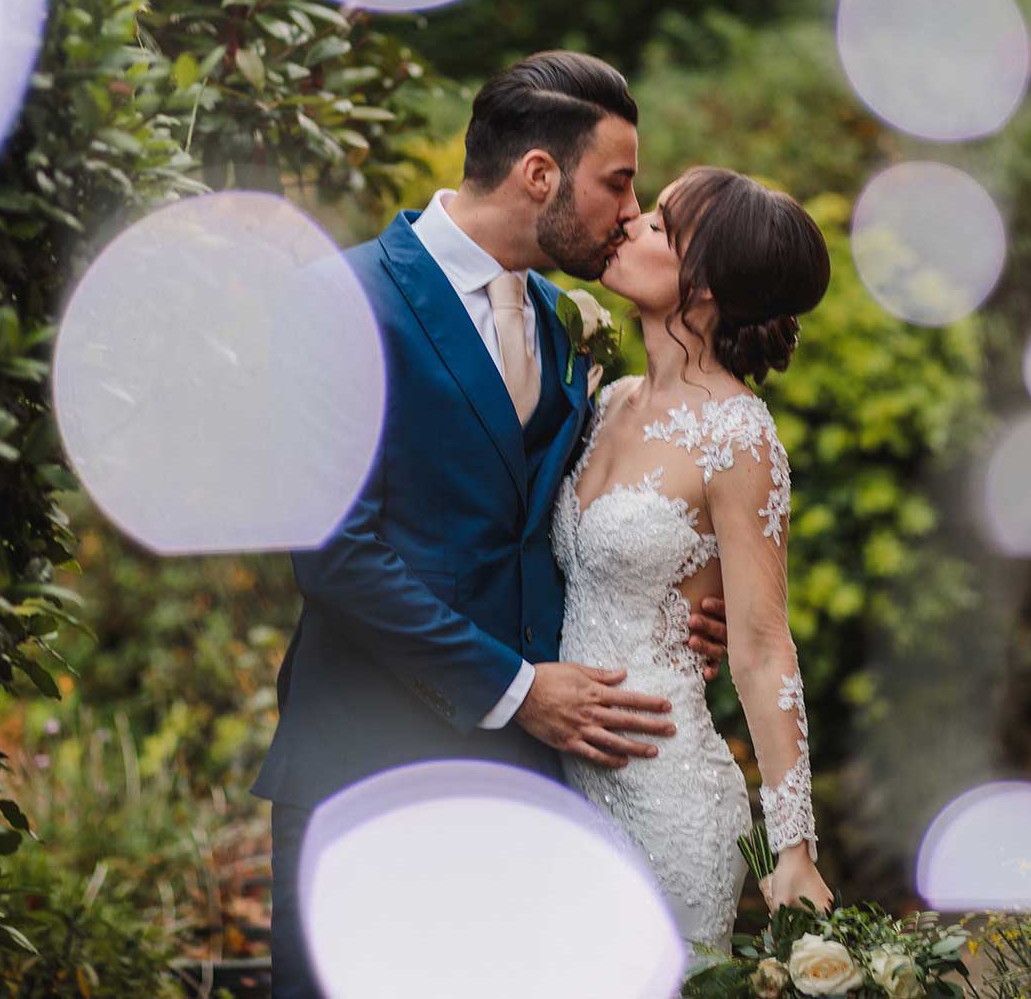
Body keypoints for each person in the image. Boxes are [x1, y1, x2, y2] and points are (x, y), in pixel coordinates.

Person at [249, 52, 732, 999]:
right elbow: (336, 556)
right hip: (369, 769)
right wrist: (515, 690)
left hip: (529, 791)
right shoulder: (343, 299)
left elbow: (561, 523)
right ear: (539, 174)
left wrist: (675, 608)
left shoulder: (560, 321)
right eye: (618, 182)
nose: (630, 213)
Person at [555, 165, 834, 956]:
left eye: (658, 226)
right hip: (562, 786)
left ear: (704, 286)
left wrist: (793, 847)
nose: (630, 222)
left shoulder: (739, 435)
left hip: (666, 796)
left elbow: (762, 646)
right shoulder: (606, 399)